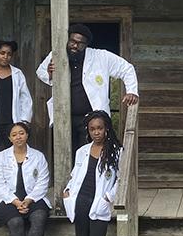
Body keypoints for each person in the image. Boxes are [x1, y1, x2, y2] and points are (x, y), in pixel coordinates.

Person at [36, 23, 138, 152]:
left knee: (90, 154)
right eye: (72, 41)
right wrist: (49, 74)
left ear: (86, 44)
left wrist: (132, 92)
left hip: (91, 118)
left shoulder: (101, 57)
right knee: (64, 154)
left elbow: (127, 69)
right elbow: (40, 72)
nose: (75, 45)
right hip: (64, 116)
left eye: (80, 43)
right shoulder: (56, 54)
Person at [61, 110, 121, 236]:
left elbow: (120, 179)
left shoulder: (116, 151)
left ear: (106, 129)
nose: (96, 132)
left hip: (99, 201)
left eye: (100, 128)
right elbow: (74, 174)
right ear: (88, 130)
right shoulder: (82, 150)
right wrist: (68, 190)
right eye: (93, 129)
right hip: (80, 199)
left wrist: (108, 197)